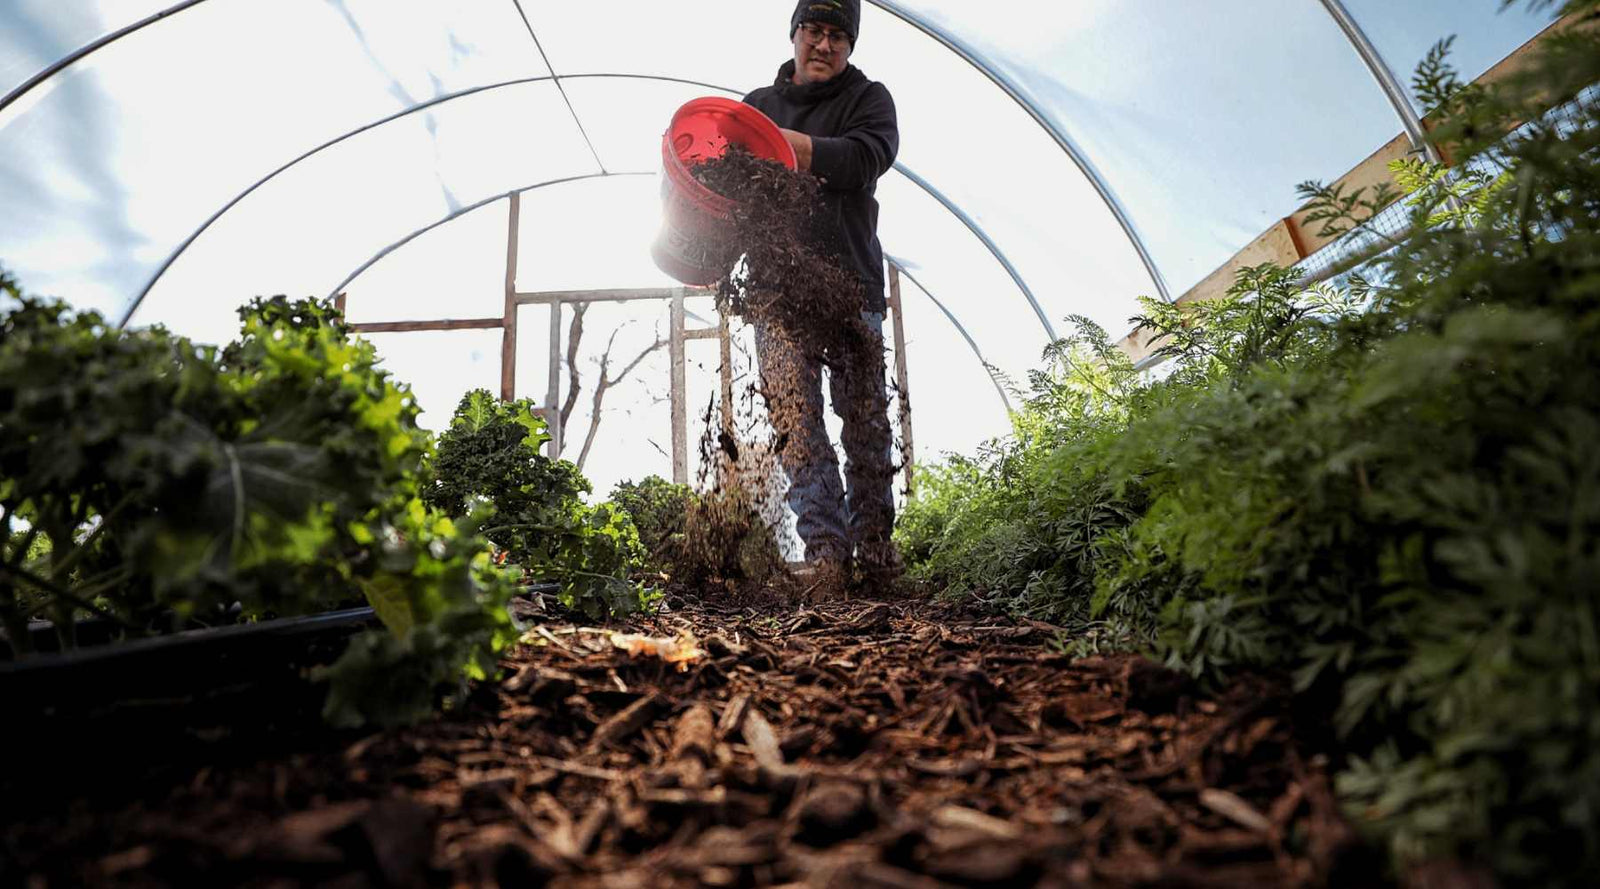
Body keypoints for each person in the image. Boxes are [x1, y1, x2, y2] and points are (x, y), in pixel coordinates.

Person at [741, 0, 903, 588]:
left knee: (864, 421)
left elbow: (867, 157)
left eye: (839, 35)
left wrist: (791, 149)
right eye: (815, 30)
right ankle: (828, 554)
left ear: (850, 45)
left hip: (850, 282)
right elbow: (724, 186)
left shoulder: (869, 99)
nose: (825, 45)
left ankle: (877, 553)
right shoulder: (756, 108)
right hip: (776, 292)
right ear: (795, 33)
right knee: (797, 422)